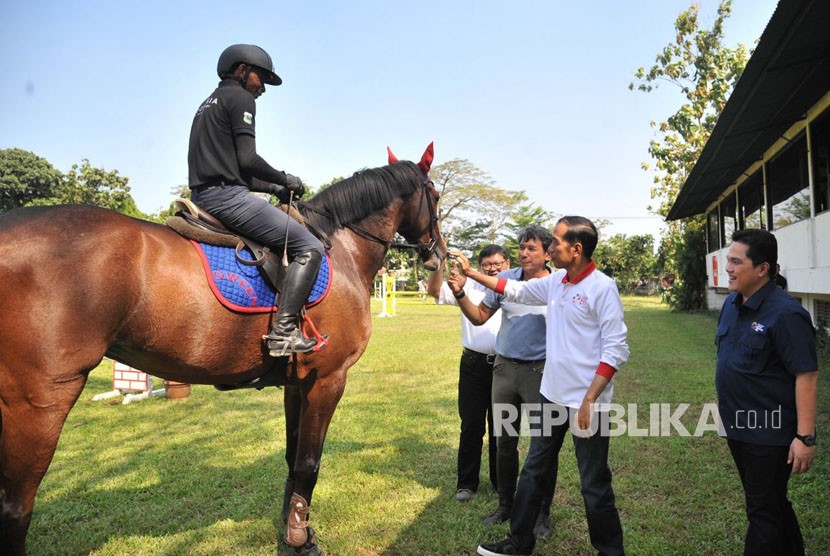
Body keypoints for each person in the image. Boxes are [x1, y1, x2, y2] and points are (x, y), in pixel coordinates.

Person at [452, 216, 629, 556]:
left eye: (556, 243)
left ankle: (610, 551)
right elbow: (516, 289)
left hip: (586, 404)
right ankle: (519, 543)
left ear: (576, 249)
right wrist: (471, 274)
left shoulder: (602, 288)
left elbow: (617, 347)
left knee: (593, 484)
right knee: (533, 470)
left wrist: (591, 398)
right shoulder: (559, 280)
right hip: (551, 395)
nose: (550, 248)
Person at [188, 44, 325, 356]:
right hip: (227, 199)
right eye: (260, 78)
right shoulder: (241, 98)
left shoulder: (206, 105)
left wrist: (273, 189)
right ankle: (284, 332)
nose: (262, 87)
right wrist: (284, 178)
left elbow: (233, 167)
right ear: (241, 71)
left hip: (205, 194)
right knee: (310, 247)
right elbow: (248, 159)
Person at [448, 227, 555, 537]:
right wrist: (459, 293)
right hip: (505, 371)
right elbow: (480, 316)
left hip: (541, 373)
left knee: (543, 444)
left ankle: (541, 514)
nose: (524, 253)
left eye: (532, 248)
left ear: (548, 253)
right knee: (504, 443)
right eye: (521, 247)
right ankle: (506, 505)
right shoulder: (506, 278)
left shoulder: (557, 284)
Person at [715, 229, 818, 555]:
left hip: (769, 434)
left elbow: (807, 376)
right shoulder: (732, 303)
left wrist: (804, 438)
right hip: (738, 426)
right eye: (727, 260)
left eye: (735, 262)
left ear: (763, 268)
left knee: (762, 513)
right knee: (771, 503)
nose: (728, 268)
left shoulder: (786, 314)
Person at [428, 244, 509, 503]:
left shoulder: (514, 289)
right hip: (473, 365)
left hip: (504, 366)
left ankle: (502, 483)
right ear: (480, 266)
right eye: (487, 265)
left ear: (508, 264)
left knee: (503, 427)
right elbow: (434, 291)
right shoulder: (469, 286)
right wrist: (437, 263)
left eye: (498, 264)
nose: (493, 268)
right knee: (471, 425)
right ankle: (466, 484)